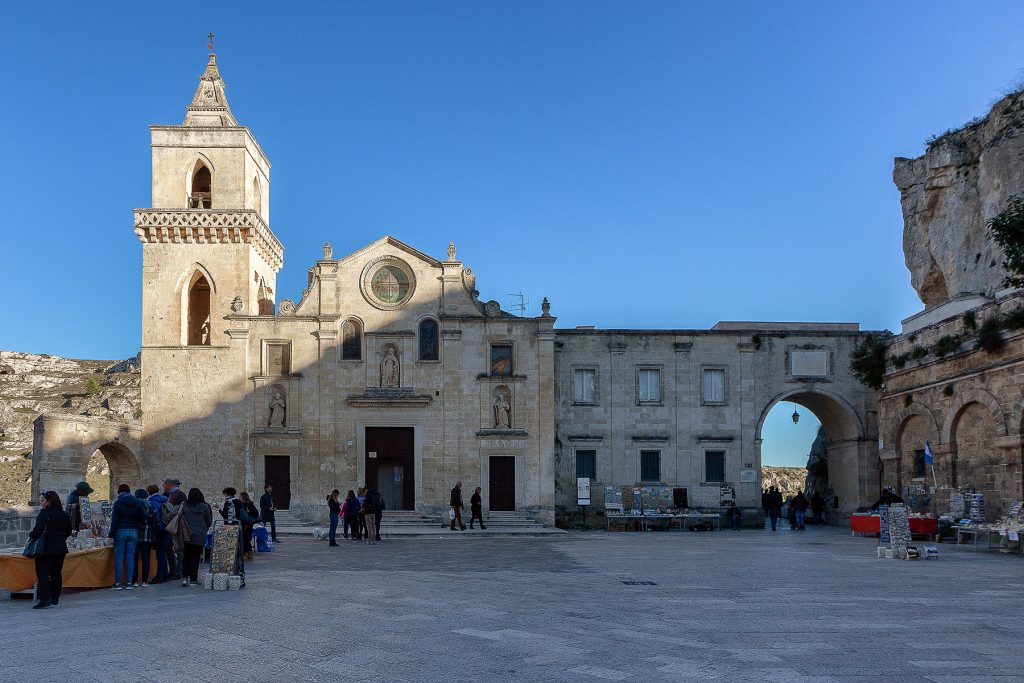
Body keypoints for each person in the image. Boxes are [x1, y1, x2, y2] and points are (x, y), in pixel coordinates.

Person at [28, 490, 72, 609]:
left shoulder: (44, 514)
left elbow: (37, 530)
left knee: (43, 574)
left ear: (49, 502)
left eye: (42, 501)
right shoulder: (64, 514)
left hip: (46, 548)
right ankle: (55, 598)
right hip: (61, 548)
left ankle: (44, 599)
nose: (41, 503)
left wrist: (31, 535)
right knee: (56, 573)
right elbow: (68, 531)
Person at [108, 483, 145, 590]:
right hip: (133, 531)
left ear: (119, 492)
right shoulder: (137, 502)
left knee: (119, 558)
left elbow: (114, 521)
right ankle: (129, 583)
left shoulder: (118, 503)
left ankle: (118, 583)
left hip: (120, 531)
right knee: (130, 557)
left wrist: (111, 534)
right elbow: (144, 516)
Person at [179, 488, 212, 587]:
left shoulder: (184, 506)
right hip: (199, 535)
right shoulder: (205, 507)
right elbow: (209, 521)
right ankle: (193, 579)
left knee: (186, 557)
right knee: (195, 557)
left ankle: (184, 578)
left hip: (187, 535)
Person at [162, 478, 187, 580]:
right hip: (171, 525)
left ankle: (179, 572)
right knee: (172, 549)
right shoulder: (169, 494)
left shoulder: (179, 494)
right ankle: (174, 571)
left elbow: (182, 509)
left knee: (179, 549)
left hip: (176, 525)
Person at [133, 488, 157, 587]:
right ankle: (145, 581)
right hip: (148, 535)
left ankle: (134, 581)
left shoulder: (134, 506)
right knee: (145, 558)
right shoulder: (150, 506)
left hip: (136, 534)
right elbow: (154, 521)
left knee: (135, 559)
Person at [147, 484, 170, 583]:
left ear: (148, 492)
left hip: (159, 530)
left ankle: (160, 576)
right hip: (167, 528)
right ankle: (164, 574)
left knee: (159, 554)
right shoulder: (164, 499)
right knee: (162, 553)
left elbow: (154, 518)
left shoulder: (151, 502)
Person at [239, 492, 259, 560]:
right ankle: (246, 553)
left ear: (243, 497)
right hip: (243, 524)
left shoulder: (249, 504)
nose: (239, 498)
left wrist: (248, 512)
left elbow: (256, 513)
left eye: (240, 497)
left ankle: (248, 554)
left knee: (246, 539)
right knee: (244, 539)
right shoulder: (241, 504)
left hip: (248, 524)